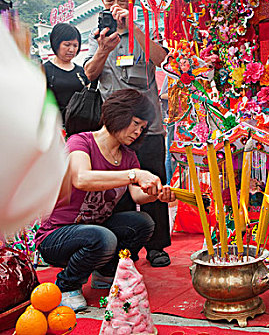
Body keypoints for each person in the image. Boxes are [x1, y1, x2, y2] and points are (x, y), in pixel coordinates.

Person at [35, 89, 178, 312]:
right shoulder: (80, 142)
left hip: (94, 231)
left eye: (142, 128)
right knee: (103, 237)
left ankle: (106, 272)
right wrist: (134, 174)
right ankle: (66, 285)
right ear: (118, 114)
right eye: (135, 123)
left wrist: (157, 193)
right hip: (56, 236)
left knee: (142, 223)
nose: (138, 132)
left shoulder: (128, 156)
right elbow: (81, 178)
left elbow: (137, 195)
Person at [84, 0, 171, 267]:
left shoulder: (145, 28)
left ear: (132, 2)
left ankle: (157, 246)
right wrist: (102, 48)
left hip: (149, 126)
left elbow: (162, 60)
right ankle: (125, 248)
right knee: (116, 190)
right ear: (102, 1)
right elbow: (89, 74)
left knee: (153, 184)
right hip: (113, 132)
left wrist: (134, 28)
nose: (115, 4)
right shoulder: (97, 35)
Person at [44, 23, 88, 122]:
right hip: (54, 126)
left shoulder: (81, 71)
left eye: (75, 45)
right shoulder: (44, 70)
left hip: (79, 126)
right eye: (67, 45)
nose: (71, 49)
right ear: (56, 44)